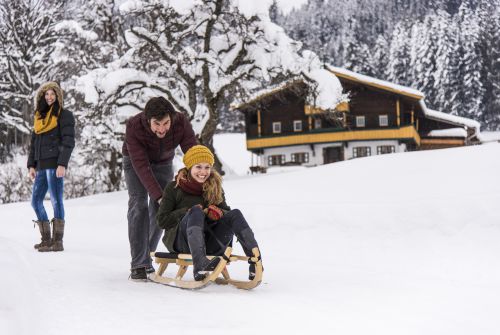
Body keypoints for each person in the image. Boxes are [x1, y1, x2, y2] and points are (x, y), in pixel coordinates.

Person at [156, 145, 262, 281]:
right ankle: (200, 263)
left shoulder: (215, 187)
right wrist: (186, 212)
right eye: (198, 167)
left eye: (207, 167)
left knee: (235, 214)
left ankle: (256, 261)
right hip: (182, 243)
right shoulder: (174, 188)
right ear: (189, 167)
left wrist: (218, 213)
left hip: (212, 242)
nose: (203, 172)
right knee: (196, 211)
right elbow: (162, 220)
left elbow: (227, 214)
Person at [123, 96, 197, 281]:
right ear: (148, 120)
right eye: (157, 124)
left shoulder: (181, 122)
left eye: (166, 123)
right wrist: (158, 196)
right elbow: (141, 166)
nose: (162, 128)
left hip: (163, 162)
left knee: (161, 210)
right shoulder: (134, 126)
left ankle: (146, 255)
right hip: (135, 163)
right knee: (138, 204)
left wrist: (202, 175)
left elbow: (193, 152)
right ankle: (138, 263)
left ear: (172, 118)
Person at [28, 81, 75, 252]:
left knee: (56, 200)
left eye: (52, 94)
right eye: (46, 94)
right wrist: (31, 165)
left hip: (55, 164)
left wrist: (62, 163)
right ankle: (46, 239)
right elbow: (34, 144)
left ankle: (57, 241)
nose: (49, 97)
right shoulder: (39, 117)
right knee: (35, 201)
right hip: (40, 165)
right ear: (42, 97)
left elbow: (69, 141)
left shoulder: (64, 115)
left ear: (58, 96)